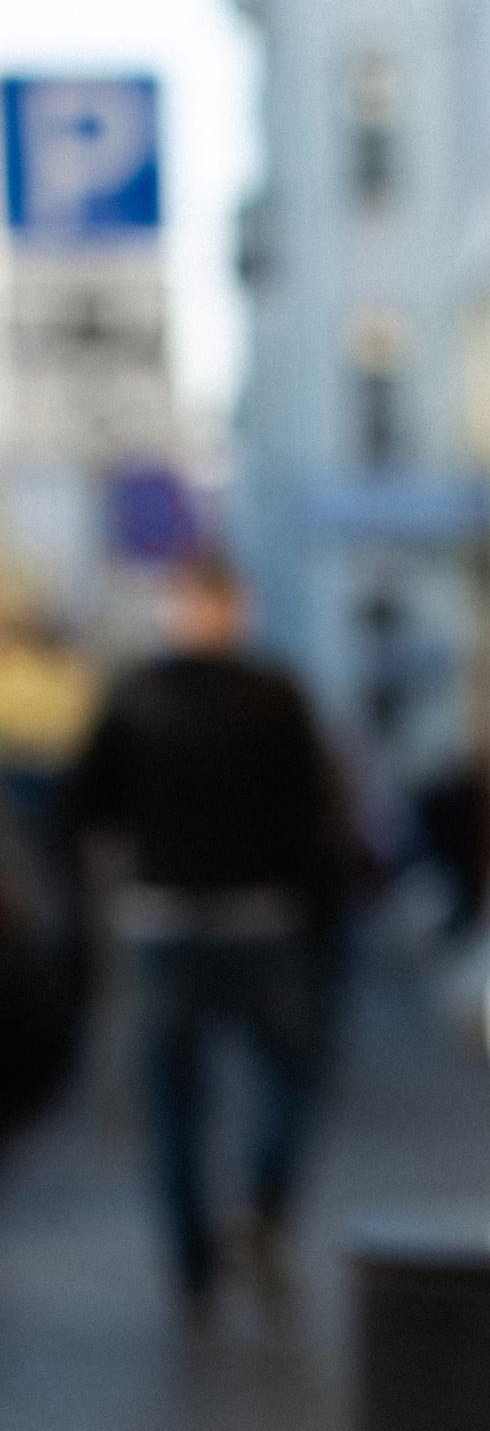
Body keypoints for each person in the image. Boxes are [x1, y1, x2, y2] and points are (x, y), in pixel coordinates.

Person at [61, 556, 341, 1312]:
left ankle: (206, 1258)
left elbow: (84, 806)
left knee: (183, 1101)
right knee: (272, 1083)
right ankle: (245, 1224)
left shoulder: (140, 696)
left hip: (186, 922)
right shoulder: (268, 695)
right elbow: (317, 813)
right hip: (248, 919)